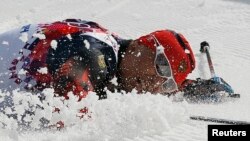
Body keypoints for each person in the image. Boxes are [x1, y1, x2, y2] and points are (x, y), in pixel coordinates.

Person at [0, 19, 233, 102]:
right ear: (142, 44)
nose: (155, 83)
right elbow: (69, 103)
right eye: (161, 66)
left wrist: (190, 87)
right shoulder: (97, 51)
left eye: (168, 84)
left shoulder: (123, 55)